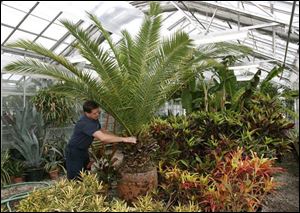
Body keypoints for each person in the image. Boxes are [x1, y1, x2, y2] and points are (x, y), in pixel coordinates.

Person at [65, 100, 136, 180]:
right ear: (86, 113)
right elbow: (103, 138)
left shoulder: (93, 119)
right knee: (76, 177)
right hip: (74, 152)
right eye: (94, 113)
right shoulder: (85, 123)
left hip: (83, 150)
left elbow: (102, 131)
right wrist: (124, 139)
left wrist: (118, 137)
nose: (97, 115)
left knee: (86, 173)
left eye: (98, 112)